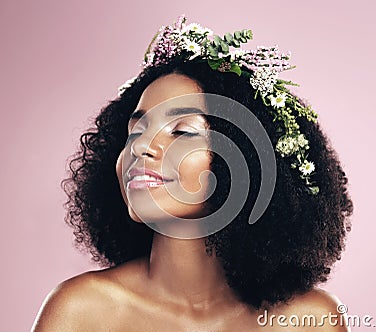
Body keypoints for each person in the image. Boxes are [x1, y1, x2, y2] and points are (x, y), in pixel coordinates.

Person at [32, 15, 353, 331]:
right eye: (135, 131)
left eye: (182, 131)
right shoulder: (80, 313)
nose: (141, 147)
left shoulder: (310, 321)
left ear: (245, 159)